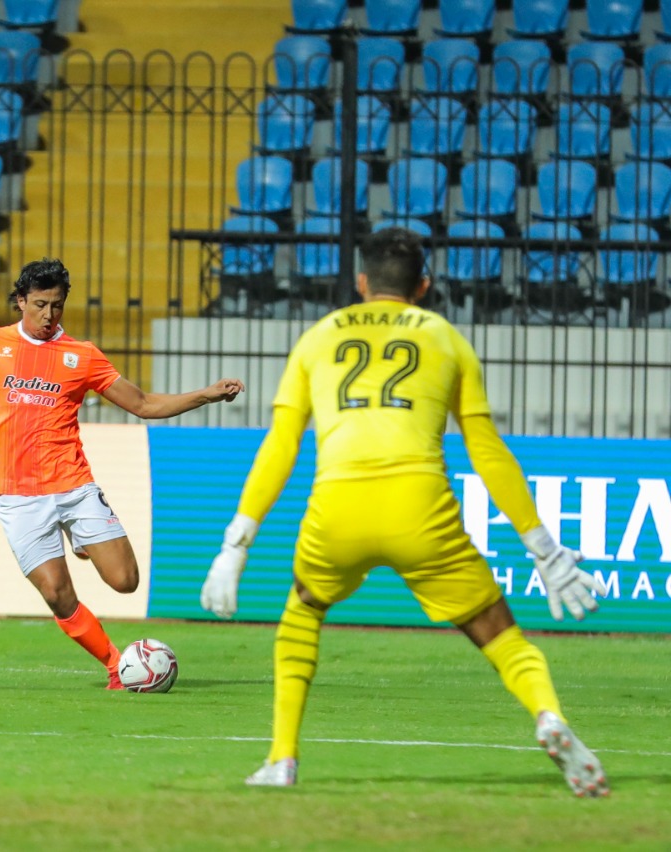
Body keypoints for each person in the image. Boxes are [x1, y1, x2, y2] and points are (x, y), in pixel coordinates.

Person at [200, 227, 609, 796]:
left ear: (361, 282)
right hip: (421, 508)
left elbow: (281, 446)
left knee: (303, 612)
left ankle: (281, 759)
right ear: (423, 286)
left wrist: (236, 544)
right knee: (499, 632)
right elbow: (487, 451)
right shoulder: (446, 338)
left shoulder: (317, 337)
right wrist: (542, 547)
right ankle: (547, 715)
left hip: (338, 509)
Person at [0, 258, 243, 687]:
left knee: (126, 581)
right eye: (40, 305)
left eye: (56, 306)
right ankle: (115, 666)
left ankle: (80, 538)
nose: (48, 315)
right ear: (20, 301)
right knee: (57, 594)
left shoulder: (83, 356)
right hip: (17, 497)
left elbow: (143, 405)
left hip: (73, 486)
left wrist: (206, 395)